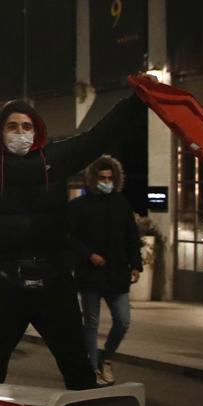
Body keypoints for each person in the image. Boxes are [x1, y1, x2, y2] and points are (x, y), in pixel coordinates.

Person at [0, 70, 146, 389]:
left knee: (78, 371)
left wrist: (138, 101)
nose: (20, 132)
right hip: (8, 281)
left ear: (36, 130)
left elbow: (98, 137)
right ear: (1, 132)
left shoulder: (55, 160)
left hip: (55, 281)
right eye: (12, 126)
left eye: (26, 126)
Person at [70, 155, 142, 386]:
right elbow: (70, 238)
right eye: (102, 177)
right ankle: (92, 368)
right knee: (91, 322)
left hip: (117, 273)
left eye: (110, 178)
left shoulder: (121, 203)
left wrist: (136, 264)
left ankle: (106, 357)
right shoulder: (80, 206)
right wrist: (89, 254)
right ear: (93, 179)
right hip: (90, 274)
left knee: (123, 320)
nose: (106, 181)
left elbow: (132, 235)